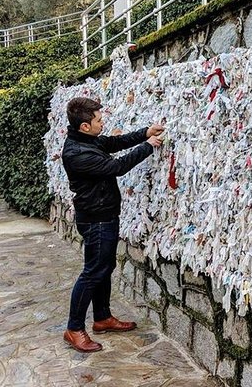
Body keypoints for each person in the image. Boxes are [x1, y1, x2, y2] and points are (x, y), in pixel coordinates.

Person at [61, 97, 164, 352]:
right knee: (93, 271)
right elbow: (116, 166)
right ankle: (74, 329)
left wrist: (144, 133)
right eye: (98, 119)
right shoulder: (77, 153)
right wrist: (149, 146)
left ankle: (102, 317)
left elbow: (114, 143)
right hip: (96, 219)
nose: (102, 122)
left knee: (104, 268)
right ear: (85, 126)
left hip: (104, 214)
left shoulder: (87, 140)